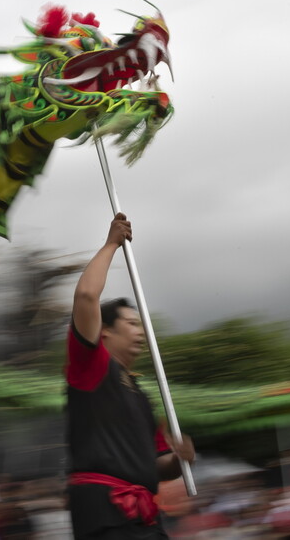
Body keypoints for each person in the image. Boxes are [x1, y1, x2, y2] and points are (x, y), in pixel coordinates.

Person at [65, 212, 195, 539]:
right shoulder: (91, 367)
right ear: (105, 332)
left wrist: (180, 460)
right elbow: (85, 297)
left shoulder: (140, 393)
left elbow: (157, 466)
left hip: (144, 514)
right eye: (131, 324)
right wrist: (111, 244)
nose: (140, 331)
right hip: (103, 511)